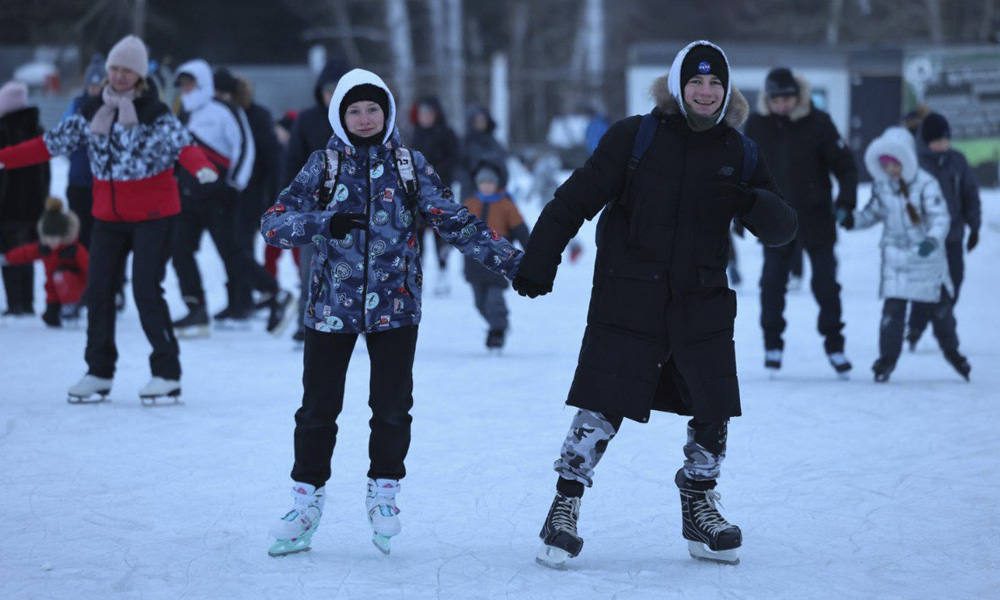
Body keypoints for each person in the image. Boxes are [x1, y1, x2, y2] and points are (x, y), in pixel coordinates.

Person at [512, 41, 797, 568]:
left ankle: (700, 506)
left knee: (712, 408)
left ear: (727, 89)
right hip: (630, 294)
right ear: (677, 85)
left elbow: (782, 228)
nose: (706, 92)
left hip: (701, 299)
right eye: (696, 82)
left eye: (715, 84)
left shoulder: (738, 152)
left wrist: (752, 201)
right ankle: (564, 507)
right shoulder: (634, 137)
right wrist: (539, 258)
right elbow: (575, 197)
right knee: (603, 402)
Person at [261, 68, 522, 557]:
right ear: (340, 114)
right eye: (354, 110)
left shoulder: (409, 164)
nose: (364, 119)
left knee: (392, 408)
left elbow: (453, 217)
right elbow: (273, 224)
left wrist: (511, 262)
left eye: (372, 109)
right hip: (329, 309)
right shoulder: (322, 165)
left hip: (396, 307)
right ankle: (305, 502)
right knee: (318, 411)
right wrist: (324, 222)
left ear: (387, 112)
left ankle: (384, 494)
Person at [0, 35, 218, 403]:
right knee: (98, 291)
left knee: (146, 289)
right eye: (114, 69)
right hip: (107, 219)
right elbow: (48, 144)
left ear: (139, 75)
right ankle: (99, 371)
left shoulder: (153, 113)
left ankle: (166, 373)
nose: (118, 76)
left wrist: (201, 168)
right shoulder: (90, 111)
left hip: (154, 215)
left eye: (126, 70)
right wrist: (5, 157)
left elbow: (184, 146)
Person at [744, 67, 858, 377]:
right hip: (775, 219)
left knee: (825, 285)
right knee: (771, 284)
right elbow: (742, 171)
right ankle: (772, 343)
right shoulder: (757, 125)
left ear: (798, 96)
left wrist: (846, 202)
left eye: (788, 98)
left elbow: (846, 166)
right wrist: (742, 212)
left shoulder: (818, 122)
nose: (783, 104)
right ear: (768, 99)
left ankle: (835, 345)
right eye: (777, 99)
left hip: (817, 217)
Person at [843, 126, 970, 382]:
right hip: (897, 260)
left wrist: (932, 241)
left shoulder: (926, 184)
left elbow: (940, 218)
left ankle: (954, 354)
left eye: (895, 164)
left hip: (926, 259)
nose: (891, 170)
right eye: (886, 165)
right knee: (892, 315)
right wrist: (851, 220)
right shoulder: (883, 187)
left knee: (941, 314)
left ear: (907, 160)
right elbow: (873, 212)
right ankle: (886, 361)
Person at [170, 59, 256, 336]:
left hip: (219, 197)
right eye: (181, 84)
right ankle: (196, 307)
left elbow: (244, 146)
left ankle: (272, 294)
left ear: (203, 82)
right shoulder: (183, 113)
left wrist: (234, 185)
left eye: (189, 82)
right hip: (188, 197)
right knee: (180, 250)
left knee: (231, 253)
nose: (185, 89)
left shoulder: (223, 110)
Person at [214, 68, 293, 333]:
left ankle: (257, 295)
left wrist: (275, 196)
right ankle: (240, 300)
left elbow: (273, 158)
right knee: (234, 246)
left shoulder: (255, 116)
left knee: (238, 246)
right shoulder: (222, 116)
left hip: (253, 192)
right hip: (231, 192)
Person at [285, 58, 352, 344]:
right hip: (314, 209)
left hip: (353, 209)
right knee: (311, 267)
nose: (331, 95)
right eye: (327, 89)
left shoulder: (358, 119)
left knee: (351, 268)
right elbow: (291, 161)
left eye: (337, 89)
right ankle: (306, 322)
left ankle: (352, 318)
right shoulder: (308, 119)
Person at [907, 113, 981, 351]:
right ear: (927, 141)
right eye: (938, 140)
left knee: (955, 280)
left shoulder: (957, 160)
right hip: (925, 238)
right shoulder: (915, 163)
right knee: (925, 283)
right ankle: (916, 327)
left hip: (953, 235)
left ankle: (940, 318)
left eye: (946, 140)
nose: (943, 145)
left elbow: (970, 195)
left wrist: (974, 227)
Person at [462, 161, 530, 350]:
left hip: (498, 260)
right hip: (474, 262)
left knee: (494, 299)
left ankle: (498, 330)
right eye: (483, 183)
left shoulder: (506, 205)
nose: (486, 186)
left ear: (496, 184)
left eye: (490, 183)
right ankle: (496, 325)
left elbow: (521, 230)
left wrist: (531, 251)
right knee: (479, 302)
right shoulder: (469, 204)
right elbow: (454, 226)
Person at [0, 80, 49, 317]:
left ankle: (15, 304)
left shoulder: (3, 129)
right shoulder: (36, 128)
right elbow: (46, 171)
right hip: (34, 203)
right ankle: (27, 302)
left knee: (9, 252)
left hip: (7, 204)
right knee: (28, 252)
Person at [0, 197, 88, 328]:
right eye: (47, 237)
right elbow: (25, 253)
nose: (51, 241)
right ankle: (56, 312)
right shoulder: (44, 248)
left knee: (61, 276)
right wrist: (7, 258)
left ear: (63, 235)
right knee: (51, 320)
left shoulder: (74, 250)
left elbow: (90, 268)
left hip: (75, 288)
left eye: (54, 237)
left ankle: (71, 309)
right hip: (53, 291)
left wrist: (93, 289)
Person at [408, 96, 460, 297]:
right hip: (418, 194)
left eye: (429, 114)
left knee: (441, 235)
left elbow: (454, 160)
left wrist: (434, 173)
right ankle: (417, 276)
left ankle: (443, 272)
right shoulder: (416, 135)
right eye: (422, 114)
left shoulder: (446, 134)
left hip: (440, 191)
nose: (425, 118)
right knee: (417, 236)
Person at [62, 55, 106, 250]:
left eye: (99, 85)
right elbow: (63, 135)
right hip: (79, 180)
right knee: (79, 235)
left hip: (102, 182)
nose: (95, 89)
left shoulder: (112, 106)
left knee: (101, 235)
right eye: (92, 85)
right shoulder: (77, 104)